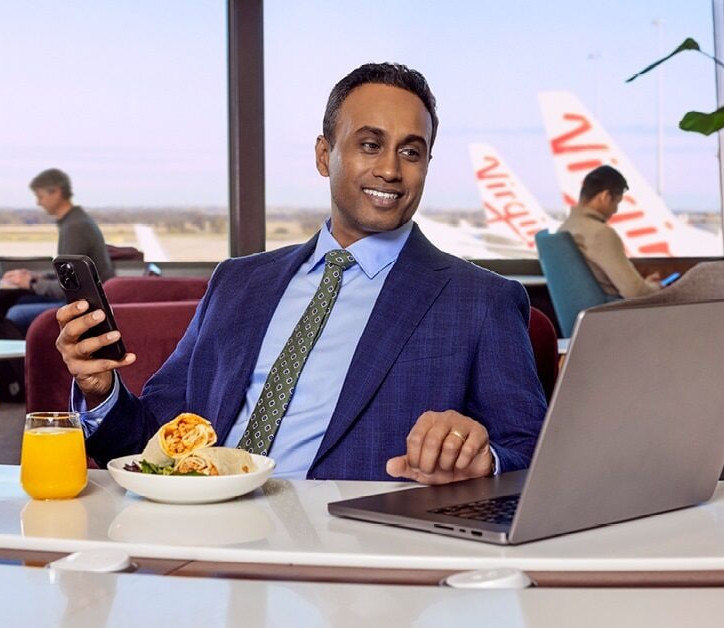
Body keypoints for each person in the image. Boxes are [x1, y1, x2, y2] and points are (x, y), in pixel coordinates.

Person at [55, 63, 547, 483]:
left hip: (353, 561)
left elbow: (530, 453)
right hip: (204, 535)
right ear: (322, 155)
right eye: (370, 145)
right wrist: (101, 393)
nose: (391, 170)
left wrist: (482, 461)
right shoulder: (238, 283)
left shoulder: (479, 300)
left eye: (411, 152)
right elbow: (154, 440)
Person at [1, 168, 114, 333]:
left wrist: (31, 283)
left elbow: (73, 286)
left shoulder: (75, 227)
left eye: (40, 196)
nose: (38, 203)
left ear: (56, 192)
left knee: (15, 313)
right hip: (82, 300)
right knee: (22, 300)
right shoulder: (74, 222)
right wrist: (38, 276)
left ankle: (23, 358)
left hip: (86, 306)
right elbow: (71, 275)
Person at [557, 165, 662, 298]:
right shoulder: (600, 234)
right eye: (617, 202)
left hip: (591, 314)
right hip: (612, 314)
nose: (615, 210)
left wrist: (645, 285)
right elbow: (635, 292)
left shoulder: (564, 228)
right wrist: (655, 287)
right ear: (605, 196)